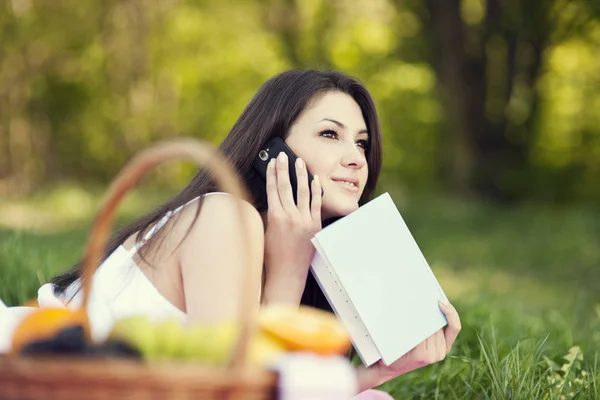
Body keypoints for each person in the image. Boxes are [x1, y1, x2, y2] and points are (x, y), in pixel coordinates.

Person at [7, 70, 462, 397]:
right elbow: (234, 392)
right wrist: (288, 270)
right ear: (271, 151)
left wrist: (380, 372)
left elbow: (275, 387)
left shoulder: (314, 268)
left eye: (361, 142)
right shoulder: (225, 216)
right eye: (330, 134)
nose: (356, 158)